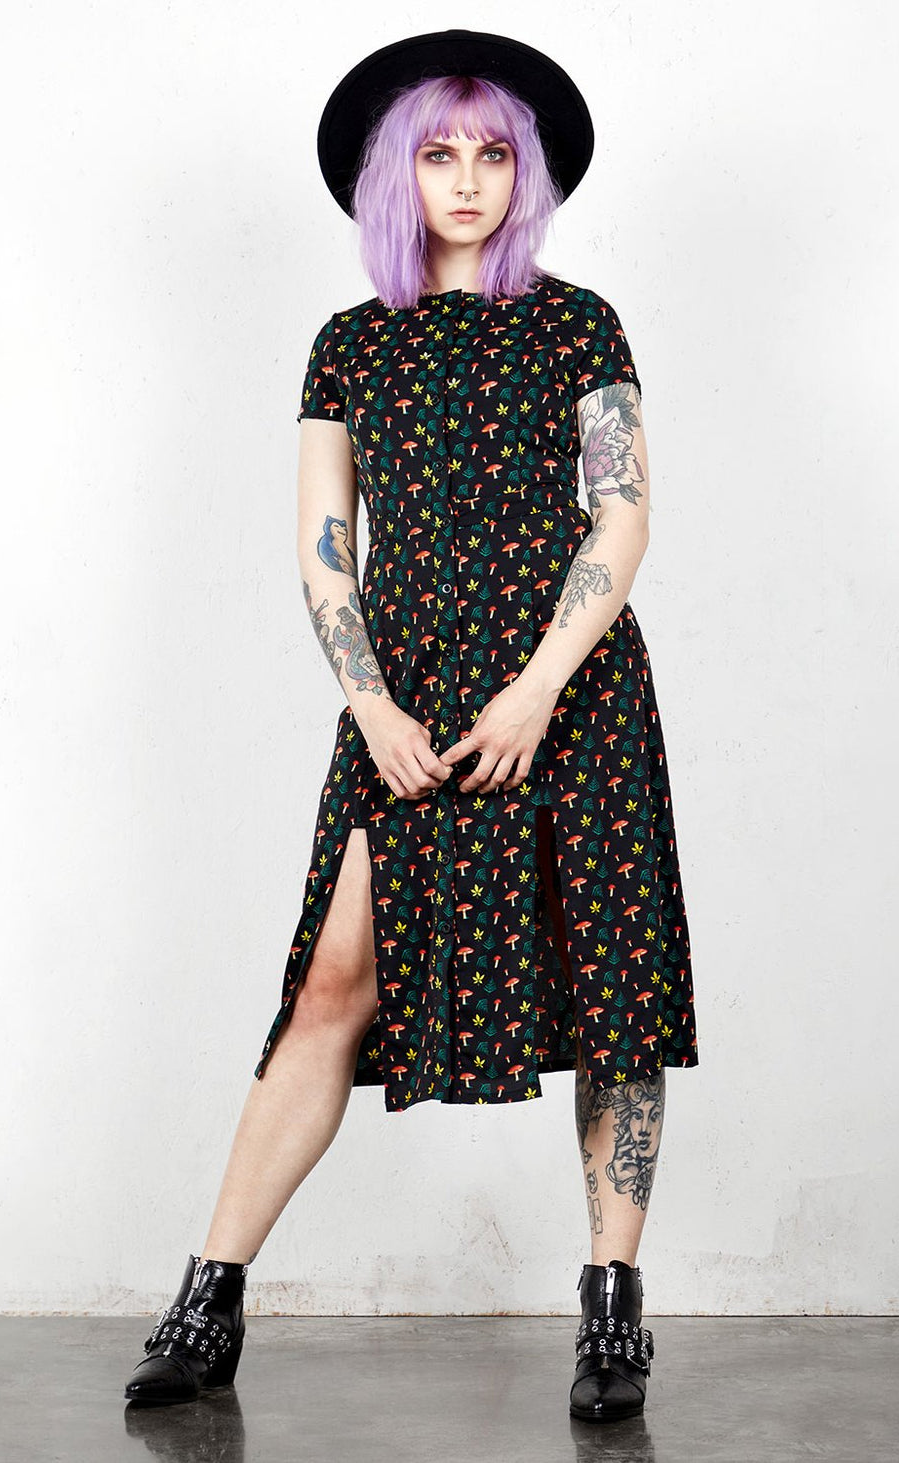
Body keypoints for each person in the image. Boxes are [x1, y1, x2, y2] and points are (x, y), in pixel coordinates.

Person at [124, 29, 699, 1424]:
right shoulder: (351, 346)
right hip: (409, 702)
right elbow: (326, 550)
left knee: (614, 987)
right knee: (334, 984)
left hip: (570, 688)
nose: (469, 179)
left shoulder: (578, 323)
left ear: (525, 174)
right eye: (439, 154)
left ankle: (612, 1309)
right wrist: (370, 702)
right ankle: (209, 1296)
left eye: (494, 153)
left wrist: (540, 683)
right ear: (396, 175)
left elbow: (621, 516)